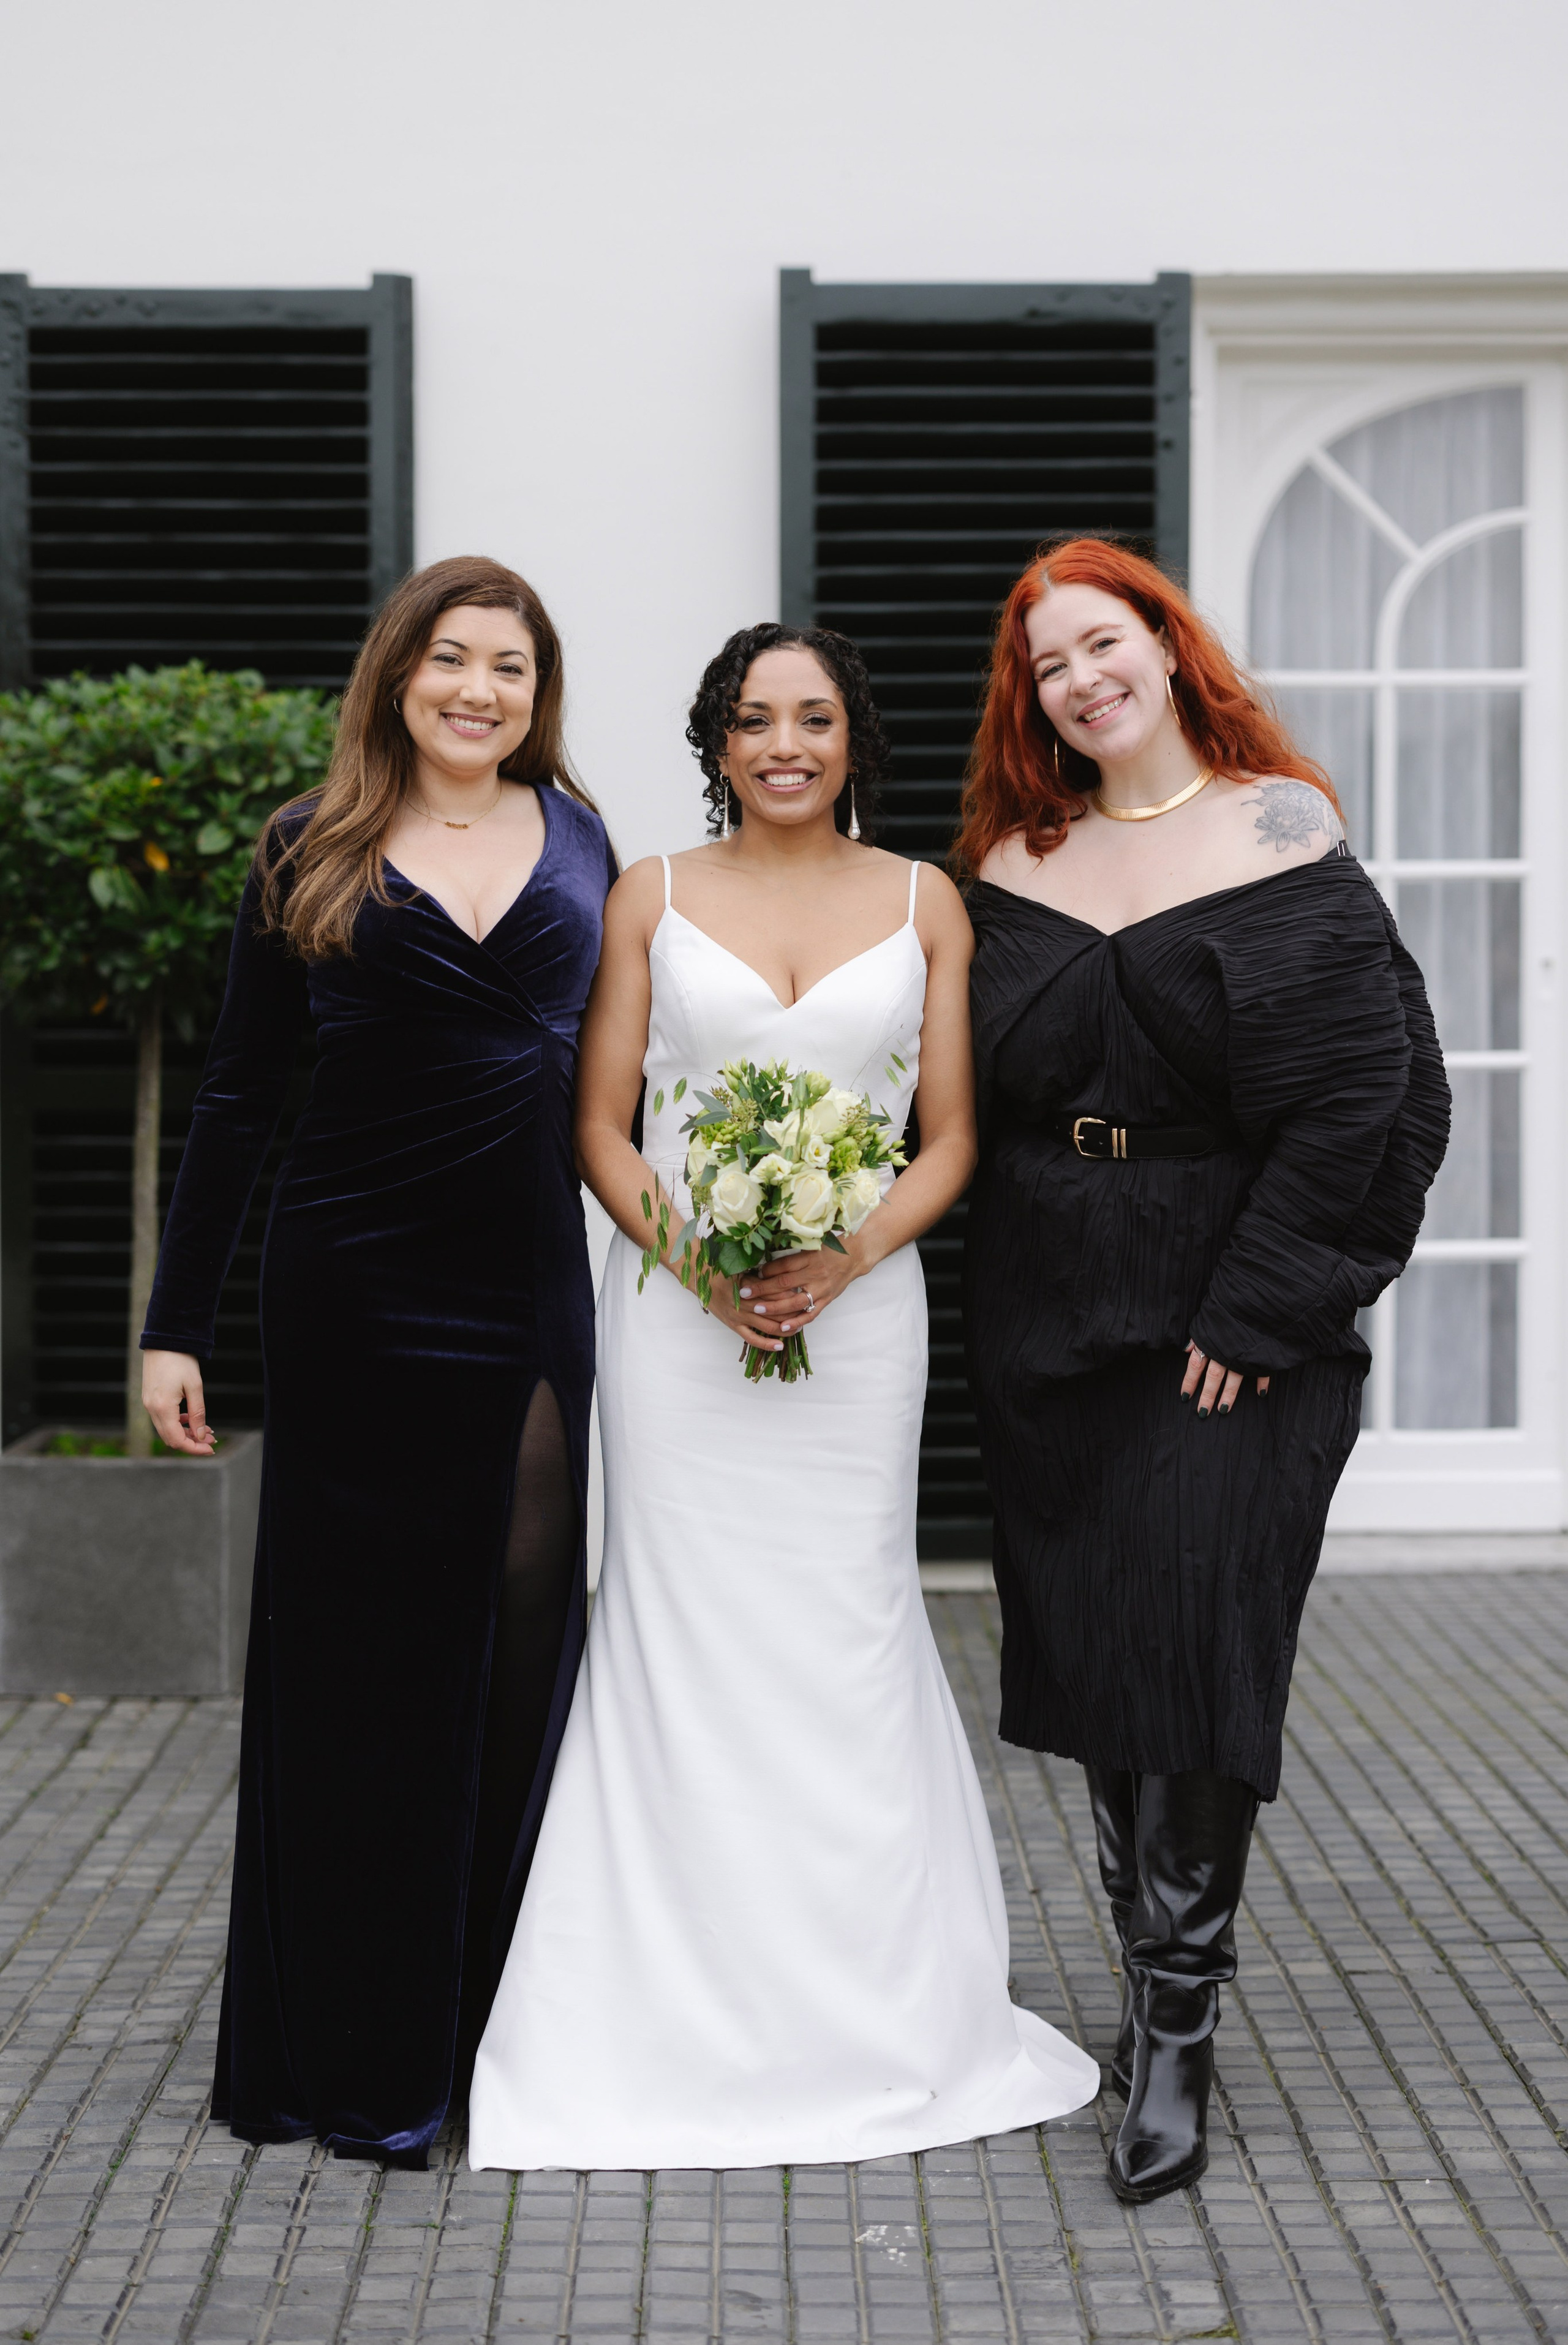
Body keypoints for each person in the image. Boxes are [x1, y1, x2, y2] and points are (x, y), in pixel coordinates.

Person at [467, 622, 1098, 2170]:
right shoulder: (650, 896)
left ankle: (864, 2012)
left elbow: (947, 1134)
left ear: (852, 737)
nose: (784, 746)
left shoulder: (924, 902)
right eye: (753, 721)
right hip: (679, 1330)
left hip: (861, 1324)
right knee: (679, 1626)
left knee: (844, 1628)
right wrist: (700, 1267)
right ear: (718, 744)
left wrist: (847, 1254)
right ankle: (662, 2004)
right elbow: (601, 1127)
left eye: (812, 718)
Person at [957, 538, 1449, 2205]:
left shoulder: (1281, 829)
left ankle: (1176, 2035)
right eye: (1049, 666)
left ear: (1168, 649)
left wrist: (1257, 1315)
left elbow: (1372, 1105)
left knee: (1200, 1641)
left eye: (1106, 643)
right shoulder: (1009, 861)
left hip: (1236, 1322)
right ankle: (1138, 1990)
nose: (1082, 679)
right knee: (1102, 1650)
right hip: (1051, 1309)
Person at [139, 556, 616, 2167]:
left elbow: (633, 1078)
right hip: (350, 1294)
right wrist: (170, 1324)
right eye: (452, 660)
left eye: (511, 667)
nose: (480, 691)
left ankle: (497, 2028)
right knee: (355, 1677)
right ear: (397, 674)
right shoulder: (308, 846)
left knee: (516, 1648)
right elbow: (232, 1099)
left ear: (538, 695)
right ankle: (340, 2051)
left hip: (532, 1297)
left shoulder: (585, 838)